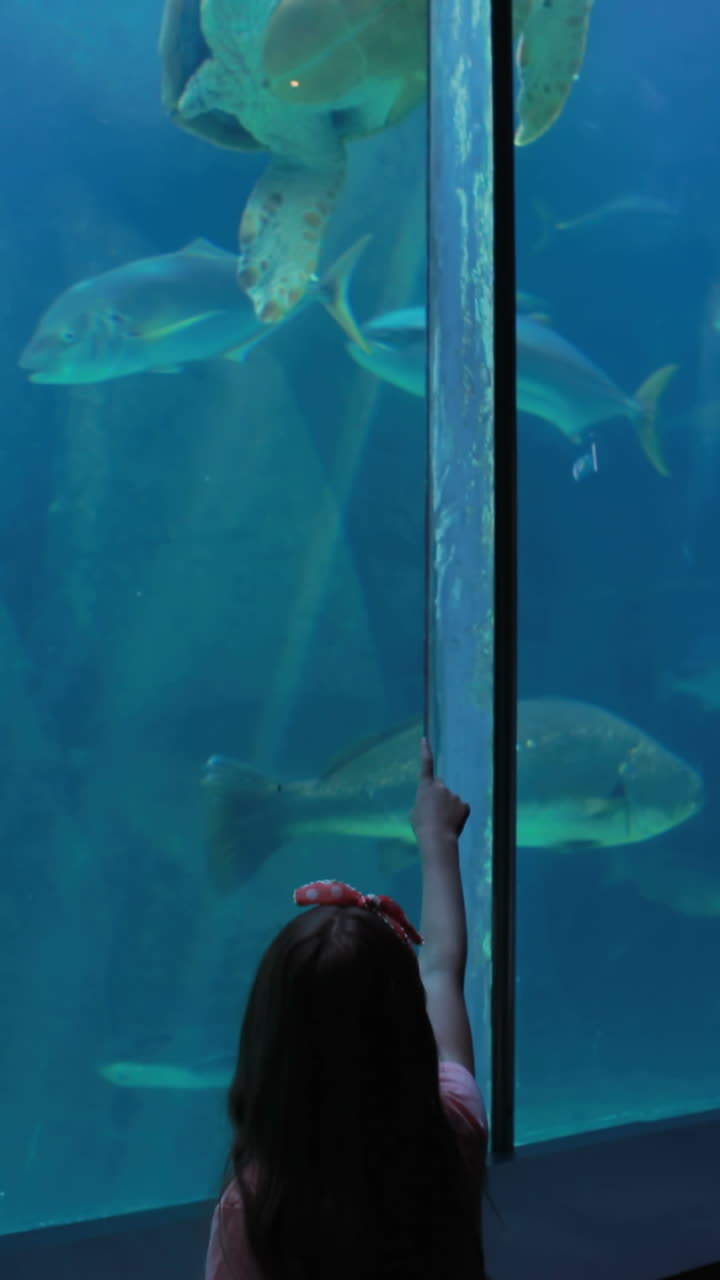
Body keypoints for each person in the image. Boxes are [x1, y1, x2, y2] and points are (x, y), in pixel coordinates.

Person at [205, 737, 488, 1280]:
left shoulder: (255, 1207)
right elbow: (442, 970)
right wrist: (436, 839)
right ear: (408, 1025)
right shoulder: (455, 1127)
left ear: (268, 1040)